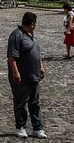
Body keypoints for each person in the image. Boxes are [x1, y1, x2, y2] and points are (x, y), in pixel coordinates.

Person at [7, 11, 46, 139]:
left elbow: (37, 52)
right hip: (22, 76)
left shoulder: (31, 35)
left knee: (35, 103)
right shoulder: (16, 35)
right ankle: (21, 127)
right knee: (20, 103)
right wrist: (15, 72)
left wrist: (41, 66)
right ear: (32, 24)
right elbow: (11, 57)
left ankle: (37, 128)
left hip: (34, 75)